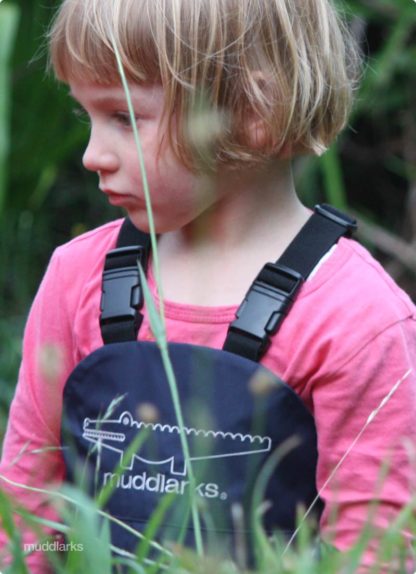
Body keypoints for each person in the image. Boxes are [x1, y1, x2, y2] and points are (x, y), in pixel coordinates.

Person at [1, 0, 415, 571]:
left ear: (254, 109)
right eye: (86, 117)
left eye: (125, 117)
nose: (92, 155)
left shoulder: (354, 316)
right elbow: (29, 509)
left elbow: (374, 552)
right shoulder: (78, 278)